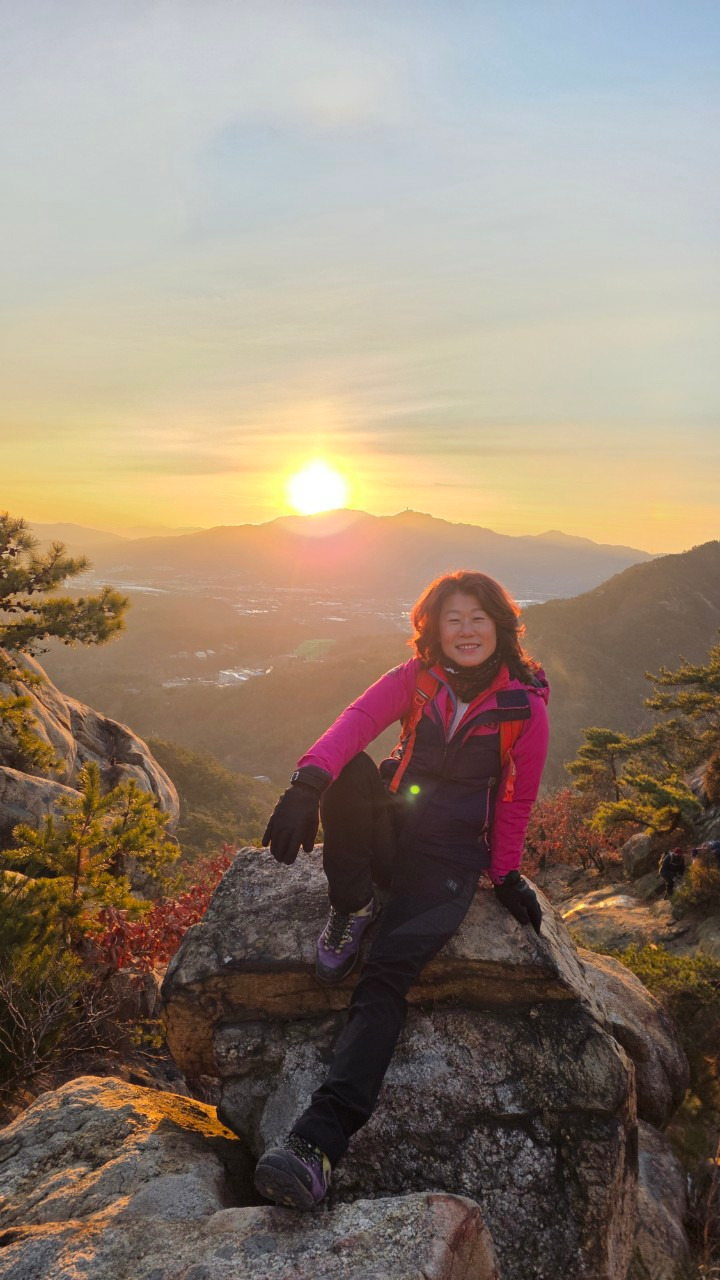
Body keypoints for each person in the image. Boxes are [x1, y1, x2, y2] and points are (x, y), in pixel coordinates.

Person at [253, 570, 550, 1210]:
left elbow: (517, 799)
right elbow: (356, 723)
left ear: (500, 626)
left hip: (447, 861)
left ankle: (315, 1145)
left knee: (384, 977)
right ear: (433, 629)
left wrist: (505, 874)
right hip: (393, 827)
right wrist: (307, 784)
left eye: (478, 618)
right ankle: (353, 905)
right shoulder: (416, 678)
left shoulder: (524, 708)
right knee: (349, 771)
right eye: (453, 618)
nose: (465, 630)